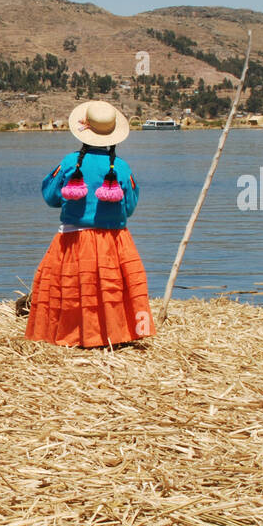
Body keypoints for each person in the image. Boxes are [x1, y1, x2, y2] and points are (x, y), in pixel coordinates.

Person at [24, 100, 156, 348]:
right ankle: (115, 334)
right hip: (115, 242)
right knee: (111, 287)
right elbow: (129, 207)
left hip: (74, 240)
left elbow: (51, 197)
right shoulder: (122, 167)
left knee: (73, 289)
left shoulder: (70, 163)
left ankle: (72, 335)